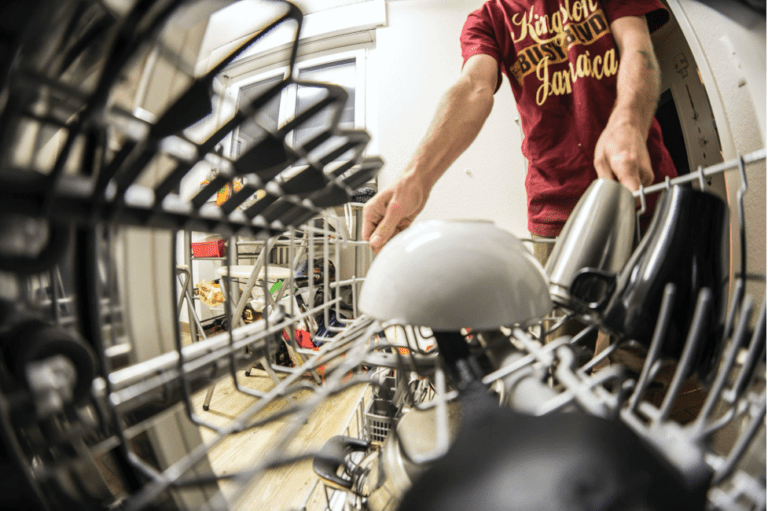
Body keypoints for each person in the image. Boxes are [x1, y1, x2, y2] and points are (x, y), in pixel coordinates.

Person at [362, 0, 678, 261]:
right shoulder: (487, 19)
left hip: (641, 187)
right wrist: (416, 178)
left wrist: (627, 120)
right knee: (562, 320)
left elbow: (637, 48)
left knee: (662, 314)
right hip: (554, 213)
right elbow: (474, 88)